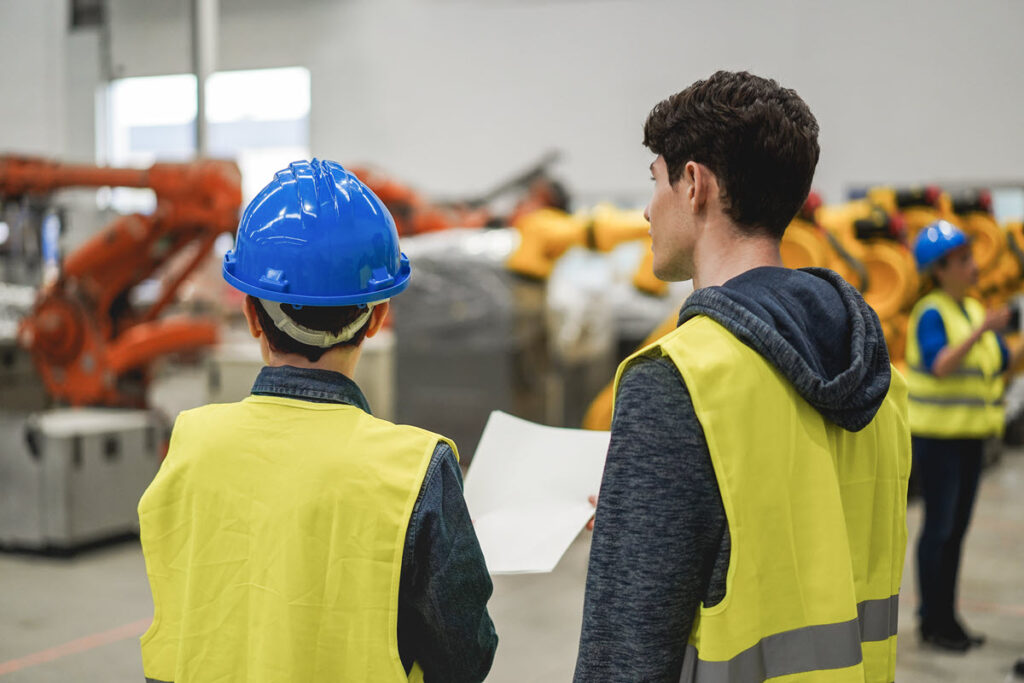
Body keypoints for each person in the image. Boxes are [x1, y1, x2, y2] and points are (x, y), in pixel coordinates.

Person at [574, 71, 911, 683]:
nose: (647, 211)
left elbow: (626, 649)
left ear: (694, 184)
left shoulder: (677, 377)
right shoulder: (877, 375)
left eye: (654, 182)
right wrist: (663, 509)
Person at [138, 159, 497, 683]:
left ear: (250, 313)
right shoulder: (416, 471)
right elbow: (467, 656)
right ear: (377, 316)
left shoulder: (190, 443)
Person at [906, 220, 1014, 652]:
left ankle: (947, 617)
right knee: (940, 530)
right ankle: (933, 621)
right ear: (940, 268)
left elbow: (1002, 360)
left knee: (956, 532)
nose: (973, 266)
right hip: (939, 442)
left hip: (971, 441)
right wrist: (983, 331)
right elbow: (941, 364)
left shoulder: (970, 309)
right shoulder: (933, 312)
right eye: (964, 259)